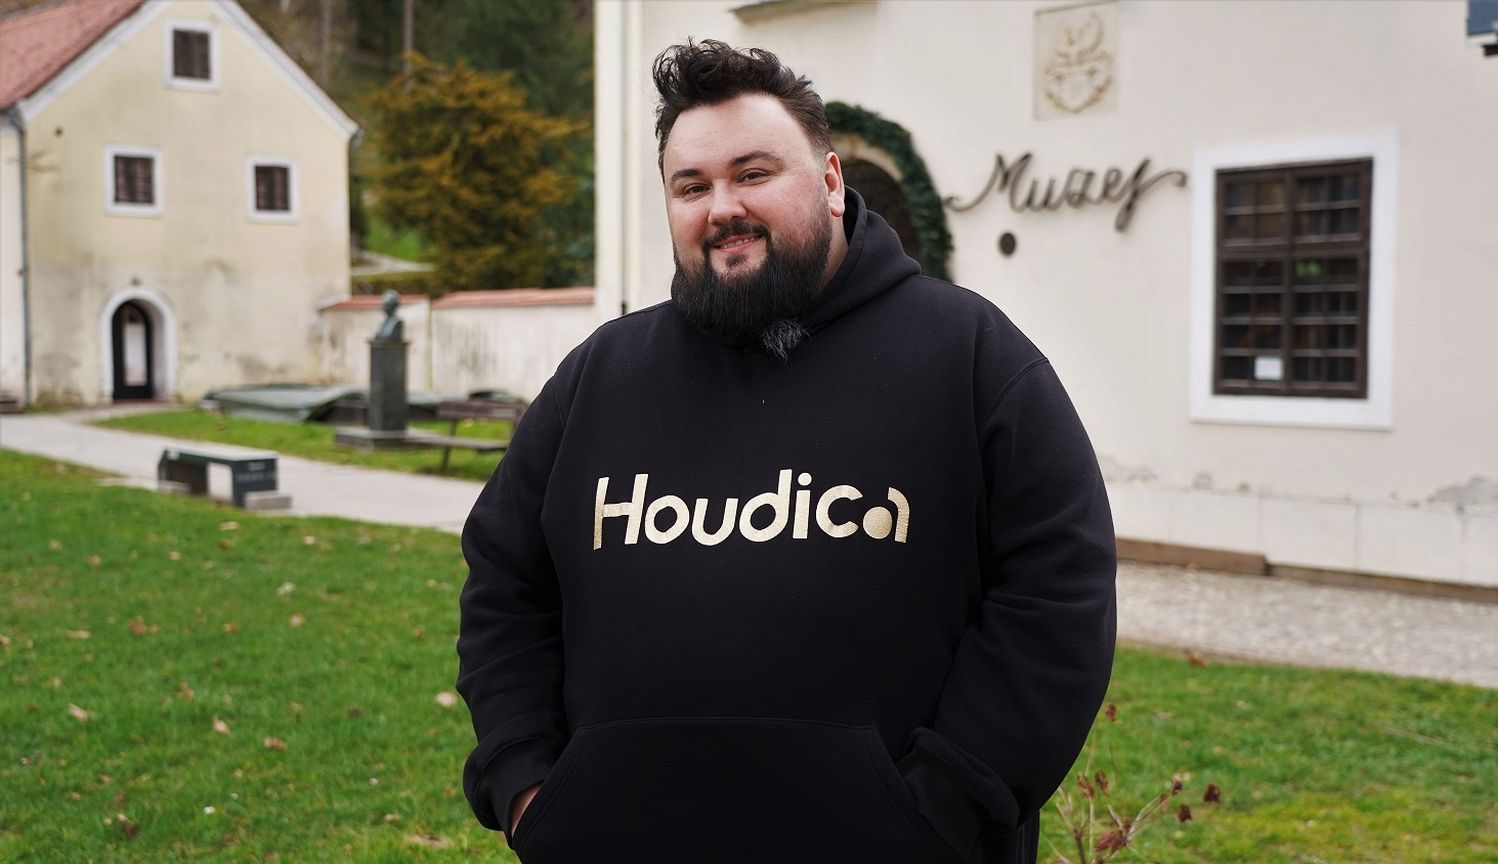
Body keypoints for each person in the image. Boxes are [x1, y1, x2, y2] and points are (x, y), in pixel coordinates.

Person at [456, 39, 1117, 864]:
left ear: (832, 182)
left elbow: (1058, 593)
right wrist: (527, 786)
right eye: (691, 186)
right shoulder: (602, 375)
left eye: (753, 173)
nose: (721, 207)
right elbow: (504, 579)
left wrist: (942, 807)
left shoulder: (969, 354)